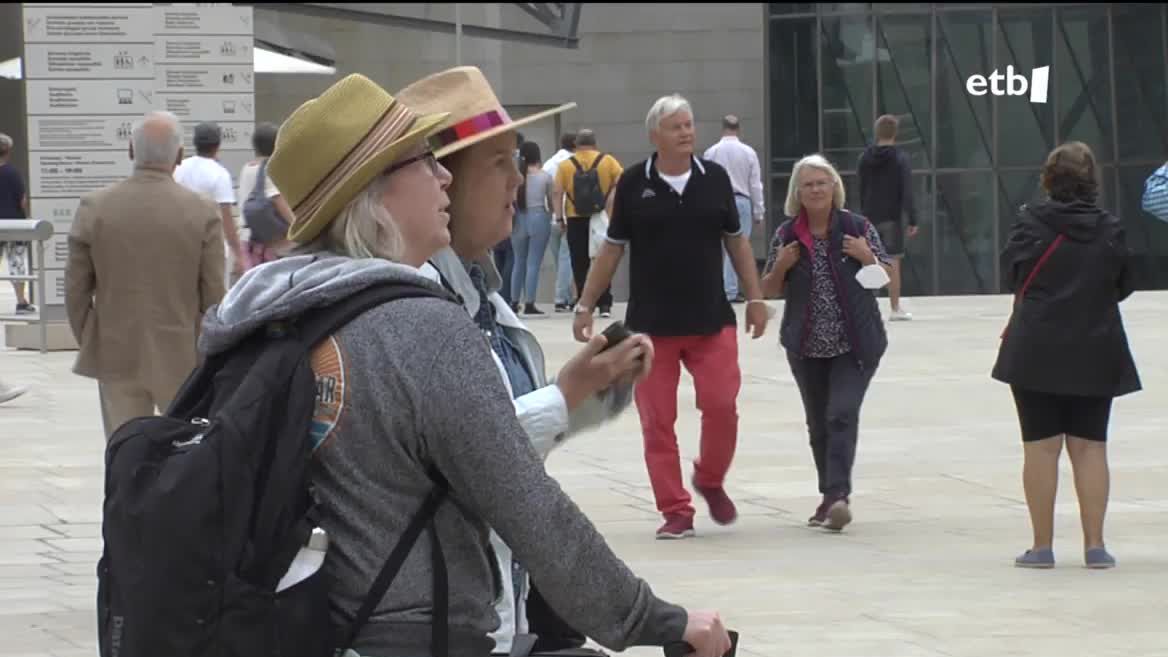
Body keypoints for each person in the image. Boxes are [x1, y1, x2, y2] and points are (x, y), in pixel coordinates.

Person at [201, 72, 730, 657]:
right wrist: (654, 620)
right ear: (375, 190)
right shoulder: (417, 324)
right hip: (417, 635)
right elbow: (528, 505)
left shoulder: (281, 311)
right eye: (426, 161)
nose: (444, 176)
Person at [396, 65, 727, 657]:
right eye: (497, 164)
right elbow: (479, 462)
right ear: (442, 181)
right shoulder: (418, 311)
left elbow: (497, 439)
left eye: (516, 162)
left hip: (494, 610)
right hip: (452, 621)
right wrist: (565, 396)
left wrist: (587, 394)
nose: (516, 183)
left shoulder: (484, 296)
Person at [572, 94, 770, 540]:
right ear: (655, 135)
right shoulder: (633, 183)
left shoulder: (715, 179)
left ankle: (711, 478)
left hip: (710, 318)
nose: (687, 132)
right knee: (657, 422)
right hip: (651, 326)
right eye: (677, 126)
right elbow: (611, 250)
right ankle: (675, 510)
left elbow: (737, 243)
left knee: (721, 406)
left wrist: (755, 298)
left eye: (689, 125)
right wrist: (585, 304)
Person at [992, 141, 1141, 570]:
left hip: (1036, 347)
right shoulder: (1110, 228)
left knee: (1040, 449)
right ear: (1092, 179)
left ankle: (1042, 547)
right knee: (1091, 447)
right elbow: (1124, 284)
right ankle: (1095, 545)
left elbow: (1011, 276)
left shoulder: (1028, 224)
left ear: (1048, 180)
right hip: (1095, 345)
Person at [65, 111, 226, 439]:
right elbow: (214, 297)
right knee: (180, 453)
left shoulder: (94, 207)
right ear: (179, 156)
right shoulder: (202, 211)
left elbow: (75, 290)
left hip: (116, 351)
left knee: (123, 450)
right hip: (183, 355)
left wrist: (91, 338)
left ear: (130, 150)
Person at [760, 154, 891, 533]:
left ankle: (838, 496)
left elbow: (883, 278)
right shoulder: (787, 235)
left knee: (841, 413)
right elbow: (767, 289)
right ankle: (829, 497)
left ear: (835, 187)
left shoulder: (856, 227)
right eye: (808, 184)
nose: (816, 189)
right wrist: (782, 266)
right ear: (797, 194)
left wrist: (867, 257)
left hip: (856, 343)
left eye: (822, 182)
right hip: (806, 345)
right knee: (818, 424)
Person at [553, 129, 622, 319]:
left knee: (579, 261)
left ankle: (585, 303)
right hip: (600, 216)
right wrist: (611, 202)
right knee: (603, 259)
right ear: (595, 143)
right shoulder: (608, 161)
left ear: (576, 144)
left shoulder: (566, 165)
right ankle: (605, 303)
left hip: (575, 217)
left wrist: (559, 218)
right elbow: (621, 182)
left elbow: (557, 192)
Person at [858, 114, 919, 321]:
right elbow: (907, 190)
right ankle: (895, 309)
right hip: (892, 217)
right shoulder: (900, 158)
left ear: (877, 133)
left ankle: (866, 308)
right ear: (895, 133)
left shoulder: (864, 158)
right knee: (893, 262)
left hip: (869, 215)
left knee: (869, 260)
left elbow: (861, 187)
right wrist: (912, 219)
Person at [703, 114, 765, 303]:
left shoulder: (711, 152)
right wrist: (759, 211)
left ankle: (718, 288)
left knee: (716, 247)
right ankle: (730, 290)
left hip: (717, 200)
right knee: (738, 245)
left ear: (723, 128)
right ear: (738, 129)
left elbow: (705, 182)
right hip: (741, 200)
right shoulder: (748, 152)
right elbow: (755, 184)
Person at [174, 122, 245, 283]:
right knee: (215, 300)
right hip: (213, 249)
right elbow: (226, 219)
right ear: (218, 145)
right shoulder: (220, 174)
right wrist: (239, 254)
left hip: (181, 246)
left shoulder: (180, 168)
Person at [236, 122, 295, 267]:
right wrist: (297, 226)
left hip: (247, 237)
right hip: (267, 243)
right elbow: (277, 200)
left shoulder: (247, 168)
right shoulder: (270, 169)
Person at [510, 140, 554, 315]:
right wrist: (552, 215)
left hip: (518, 217)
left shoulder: (516, 176)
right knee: (533, 262)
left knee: (518, 261)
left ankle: (514, 301)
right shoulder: (545, 176)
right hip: (539, 217)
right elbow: (550, 201)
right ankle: (529, 302)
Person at [0, 133, 35, 315]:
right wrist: (26, 218)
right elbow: (22, 201)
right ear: (8, 151)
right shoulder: (13, 173)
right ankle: (21, 303)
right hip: (13, 224)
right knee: (16, 263)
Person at [543, 132, 577, 311]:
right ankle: (562, 298)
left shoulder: (549, 163)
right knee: (568, 259)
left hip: (550, 218)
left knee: (560, 261)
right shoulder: (575, 163)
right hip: (568, 216)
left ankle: (567, 295)